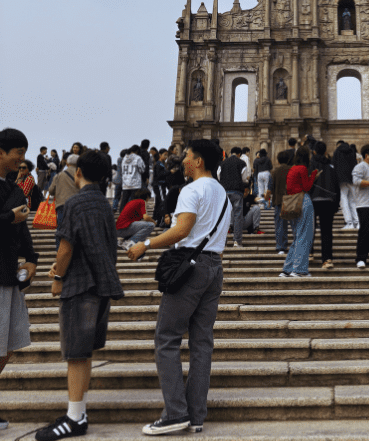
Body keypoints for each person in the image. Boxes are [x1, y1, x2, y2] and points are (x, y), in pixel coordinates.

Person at [126, 139, 231, 435]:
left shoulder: (192, 189)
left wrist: (144, 244)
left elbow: (182, 231)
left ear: (198, 161)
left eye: (186, 155)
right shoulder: (222, 193)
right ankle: (195, 415)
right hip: (213, 267)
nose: (182, 160)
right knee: (201, 344)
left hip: (191, 268)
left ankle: (174, 413)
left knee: (167, 338)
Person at [35, 150, 124, 440]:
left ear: (78, 172)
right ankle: (79, 411)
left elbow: (66, 247)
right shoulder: (103, 204)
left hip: (79, 286)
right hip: (101, 288)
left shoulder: (74, 204)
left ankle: (74, 419)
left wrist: (58, 276)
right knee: (83, 353)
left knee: (75, 354)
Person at [0, 128, 38, 431]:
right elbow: (15, 218)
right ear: (1, 152)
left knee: (9, 344)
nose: (21, 160)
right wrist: (9, 217)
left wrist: (33, 258)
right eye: (18, 153)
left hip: (9, 274)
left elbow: (22, 222)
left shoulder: (14, 188)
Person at [280, 146, 320, 277]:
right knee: (305, 235)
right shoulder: (303, 168)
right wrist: (313, 175)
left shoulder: (292, 168)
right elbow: (307, 186)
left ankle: (287, 268)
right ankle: (299, 269)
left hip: (293, 203)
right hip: (303, 201)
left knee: (298, 236)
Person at [309, 142, 339, 270]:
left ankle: (309, 253)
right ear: (325, 152)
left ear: (314, 152)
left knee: (310, 229)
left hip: (312, 201)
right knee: (326, 232)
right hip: (328, 201)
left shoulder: (309, 166)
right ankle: (327, 259)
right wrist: (336, 204)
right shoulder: (331, 167)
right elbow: (337, 187)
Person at [217, 147, 247, 249]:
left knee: (224, 217)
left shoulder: (223, 163)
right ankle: (237, 242)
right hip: (237, 191)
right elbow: (244, 178)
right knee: (238, 216)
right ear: (239, 154)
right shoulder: (242, 163)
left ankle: (223, 242)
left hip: (224, 192)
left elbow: (218, 176)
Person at [267, 150, 294, 254]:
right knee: (294, 224)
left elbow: (270, 189)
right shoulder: (292, 170)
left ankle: (281, 247)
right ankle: (296, 244)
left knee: (280, 225)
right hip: (291, 200)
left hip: (278, 201)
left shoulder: (274, 172)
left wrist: (267, 198)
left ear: (278, 161)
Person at [332, 141, 359, 231]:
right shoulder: (352, 151)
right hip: (351, 178)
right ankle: (357, 222)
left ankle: (349, 222)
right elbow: (355, 164)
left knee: (343, 200)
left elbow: (334, 166)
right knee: (353, 200)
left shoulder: (337, 152)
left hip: (341, 179)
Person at [118, 146, 145, 213]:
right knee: (134, 201)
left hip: (126, 183)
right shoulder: (138, 158)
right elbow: (142, 170)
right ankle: (133, 215)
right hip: (135, 183)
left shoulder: (124, 158)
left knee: (124, 200)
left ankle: (121, 214)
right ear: (137, 151)